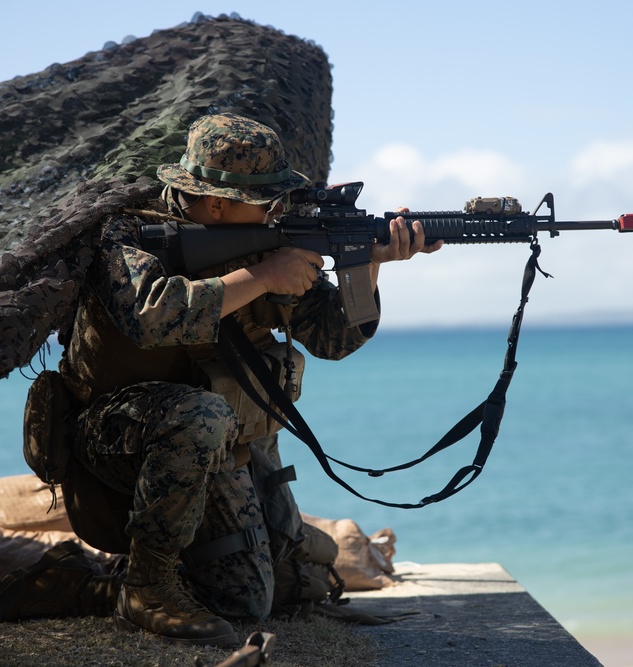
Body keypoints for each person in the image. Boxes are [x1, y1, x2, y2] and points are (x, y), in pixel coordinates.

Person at [55, 112, 441, 646]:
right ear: (216, 202)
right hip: (114, 435)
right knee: (205, 416)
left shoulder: (265, 241)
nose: (279, 210)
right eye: (267, 200)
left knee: (258, 597)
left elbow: (333, 341)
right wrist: (262, 277)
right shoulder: (128, 234)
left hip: (220, 438)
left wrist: (366, 264)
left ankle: (153, 575)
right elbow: (151, 315)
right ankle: (140, 586)